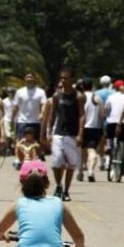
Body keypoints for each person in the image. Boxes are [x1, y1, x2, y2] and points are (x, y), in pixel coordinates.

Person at [43, 67, 85, 201]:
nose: (63, 80)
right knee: (56, 162)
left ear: (71, 79)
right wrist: (48, 132)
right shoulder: (57, 95)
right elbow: (52, 115)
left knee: (70, 164)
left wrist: (80, 134)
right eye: (61, 78)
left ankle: (66, 190)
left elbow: (82, 116)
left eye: (65, 78)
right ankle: (58, 186)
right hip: (58, 132)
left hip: (71, 134)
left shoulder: (78, 96)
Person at [11, 72, 47, 167]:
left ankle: (35, 161)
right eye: (27, 77)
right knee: (21, 142)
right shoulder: (19, 92)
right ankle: (20, 160)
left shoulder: (40, 92)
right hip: (22, 121)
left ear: (34, 79)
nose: (29, 79)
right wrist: (12, 118)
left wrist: (42, 113)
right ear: (24, 79)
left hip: (35, 121)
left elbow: (44, 104)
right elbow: (15, 106)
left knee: (35, 144)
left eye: (31, 77)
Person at [79, 78, 105, 182]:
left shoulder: (80, 97)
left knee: (82, 150)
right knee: (92, 150)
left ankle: (80, 171)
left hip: (81, 127)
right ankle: (90, 170)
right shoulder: (96, 97)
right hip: (94, 127)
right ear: (92, 86)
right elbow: (102, 114)